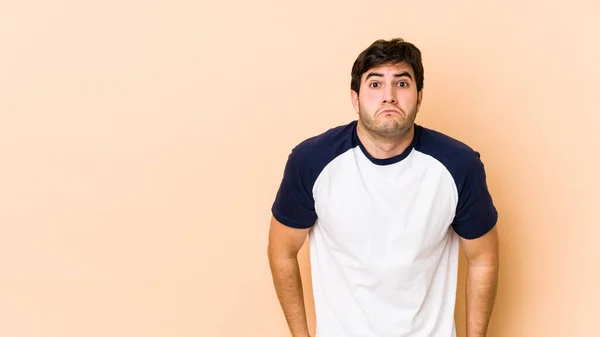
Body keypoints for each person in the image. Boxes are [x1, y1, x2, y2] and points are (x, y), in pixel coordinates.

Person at [267, 38, 499, 337]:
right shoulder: (312, 161)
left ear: (419, 97)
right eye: (375, 84)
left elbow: (484, 259)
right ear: (355, 98)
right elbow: (281, 251)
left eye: (402, 84)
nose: (388, 96)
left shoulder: (458, 165)